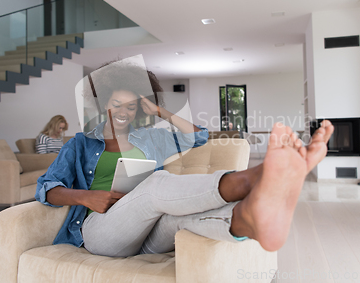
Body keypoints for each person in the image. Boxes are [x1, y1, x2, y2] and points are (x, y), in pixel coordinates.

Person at [35, 61, 334, 257]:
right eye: (116, 105)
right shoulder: (81, 143)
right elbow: (46, 188)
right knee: (156, 184)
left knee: (182, 219)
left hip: (148, 238)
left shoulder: (150, 137)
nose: (123, 112)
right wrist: (88, 197)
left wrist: (161, 112)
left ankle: (248, 219)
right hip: (101, 232)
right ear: (104, 105)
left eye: (130, 106)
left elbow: (199, 136)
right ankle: (257, 176)